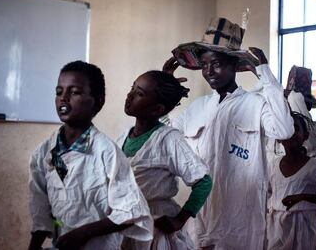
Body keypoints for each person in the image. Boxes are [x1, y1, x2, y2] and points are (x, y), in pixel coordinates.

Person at [164, 17, 294, 249]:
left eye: (216, 63)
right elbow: (165, 138)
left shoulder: (256, 103)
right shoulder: (198, 107)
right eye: (204, 65)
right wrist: (164, 92)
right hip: (199, 214)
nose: (208, 71)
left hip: (240, 219)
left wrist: (265, 73)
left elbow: (284, 129)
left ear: (234, 65)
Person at [28, 61, 152, 250]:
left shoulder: (106, 152)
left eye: (74, 92)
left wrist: (83, 233)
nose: (64, 98)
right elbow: (40, 207)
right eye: (59, 92)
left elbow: (130, 211)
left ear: (98, 101)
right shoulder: (44, 152)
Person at [116, 70, 212, 249]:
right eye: (132, 89)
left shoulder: (168, 139)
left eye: (139, 94)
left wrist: (180, 219)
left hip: (155, 227)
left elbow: (204, 182)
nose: (129, 96)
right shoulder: (122, 138)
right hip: (126, 223)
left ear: (157, 109)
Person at [267, 112, 316, 250]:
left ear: (305, 135)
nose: (292, 133)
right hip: (277, 229)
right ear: (278, 137)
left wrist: (303, 197)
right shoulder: (272, 165)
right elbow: (265, 194)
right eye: (287, 128)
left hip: (305, 228)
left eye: (296, 128)